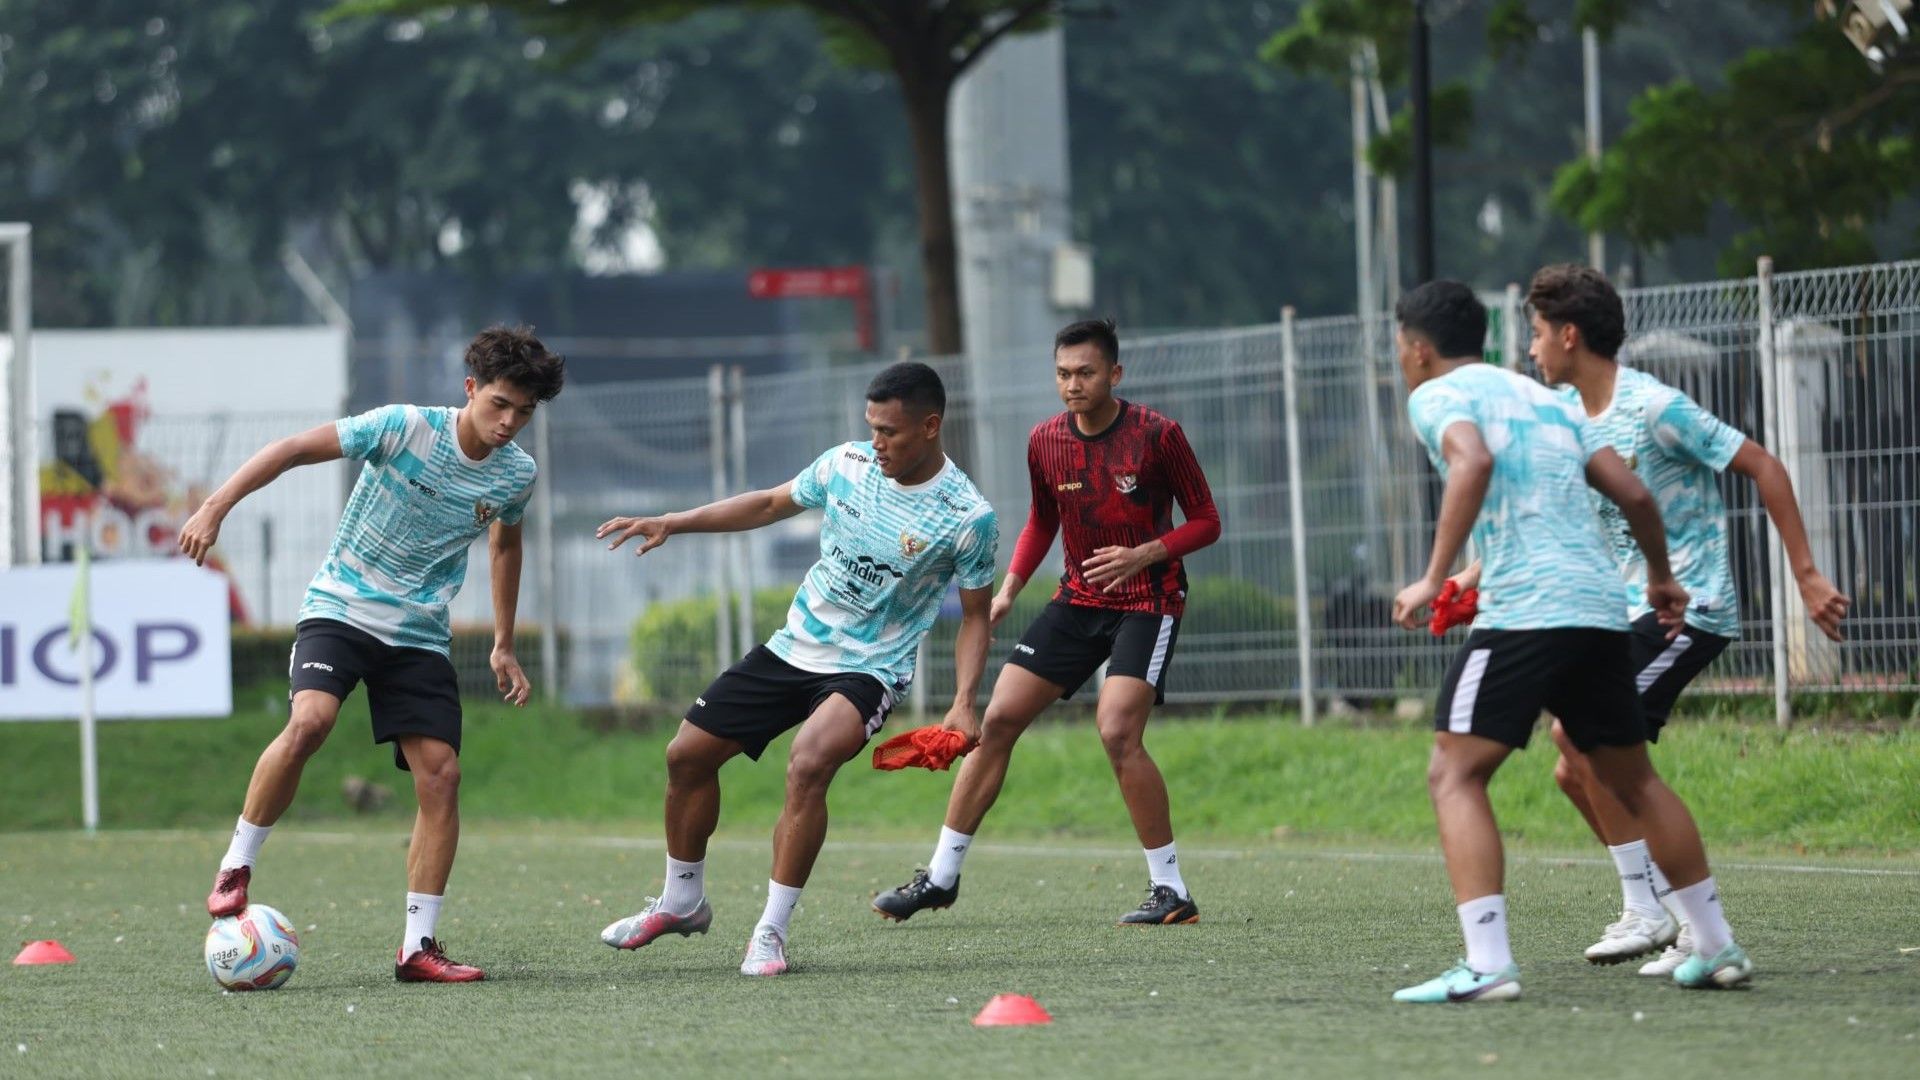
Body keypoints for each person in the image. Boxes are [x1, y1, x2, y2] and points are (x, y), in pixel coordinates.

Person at [1473, 264, 1848, 972]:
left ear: (1570, 335)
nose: (1530, 349)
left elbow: (1764, 466)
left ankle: (1658, 915)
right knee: (1570, 768)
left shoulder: (1653, 407)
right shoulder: (1568, 420)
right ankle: (1676, 919)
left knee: (1584, 744)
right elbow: (1549, 516)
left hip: (1691, 610)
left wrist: (1806, 574)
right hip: (1620, 614)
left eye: (1536, 332)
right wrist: (1466, 578)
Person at [1388, 281, 1752, 1003]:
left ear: (1419, 350)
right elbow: (1637, 496)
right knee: (1633, 780)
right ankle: (1715, 946)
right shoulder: (1543, 398)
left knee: (1453, 772)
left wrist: (1433, 578)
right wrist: (1660, 579)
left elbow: (1472, 463)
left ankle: (1488, 965)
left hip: (1527, 609)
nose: (1400, 360)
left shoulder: (1435, 395)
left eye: (1398, 349)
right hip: (1598, 608)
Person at [185, 325, 565, 983]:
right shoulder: (403, 427)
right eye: (500, 404)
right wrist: (216, 507)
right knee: (311, 723)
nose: (510, 423)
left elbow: (506, 546)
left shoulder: (516, 474)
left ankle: (418, 947)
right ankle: (238, 861)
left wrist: (503, 642)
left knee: (441, 775)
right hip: (342, 606)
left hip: (417, 633)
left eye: (525, 412)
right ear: (470, 390)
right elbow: (292, 448)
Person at [596, 361, 998, 977]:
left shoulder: (968, 515)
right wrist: (674, 521)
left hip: (870, 667)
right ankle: (682, 901)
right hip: (793, 646)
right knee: (685, 756)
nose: (877, 442)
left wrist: (965, 700)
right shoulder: (847, 464)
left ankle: (770, 931)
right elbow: (767, 503)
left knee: (809, 763)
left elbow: (975, 616)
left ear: (930, 426)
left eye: (889, 431)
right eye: (871, 427)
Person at [873, 318, 1221, 927]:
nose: (1073, 384)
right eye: (1063, 374)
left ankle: (1171, 889)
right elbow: (1042, 521)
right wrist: (1009, 587)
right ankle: (941, 876)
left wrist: (1147, 552)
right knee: (998, 718)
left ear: (1114, 374)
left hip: (1149, 600)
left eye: (1086, 373)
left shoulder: (1158, 436)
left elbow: (1206, 521)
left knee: (1116, 731)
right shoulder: (1045, 440)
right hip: (1077, 601)